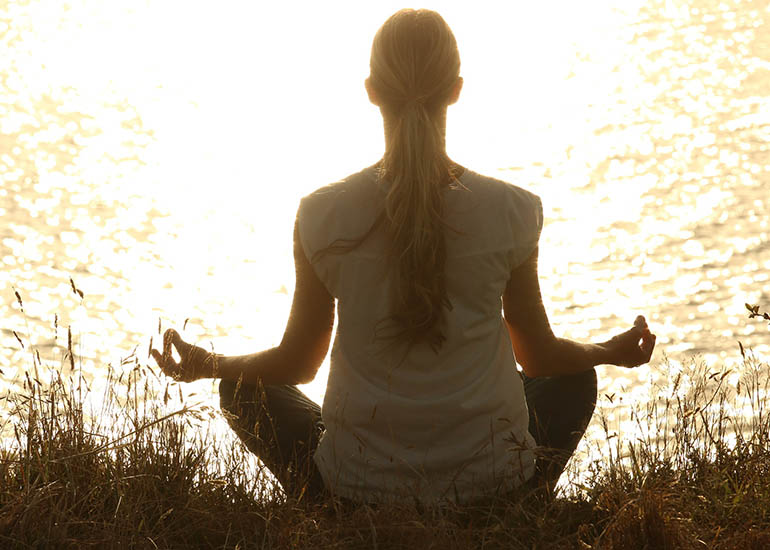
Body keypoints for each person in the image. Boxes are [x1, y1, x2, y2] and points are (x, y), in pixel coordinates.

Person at [151, 8, 655, 505]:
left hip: (356, 489)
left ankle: (334, 506)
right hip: (492, 482)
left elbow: (298, 363)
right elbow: (539, 356)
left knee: (242, 389)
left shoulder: (321, 214)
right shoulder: (513, 210)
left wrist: (208, 363)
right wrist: (607, 352)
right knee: (573, 376)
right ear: (456, 89)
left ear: (371, 90)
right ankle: (513, 499)